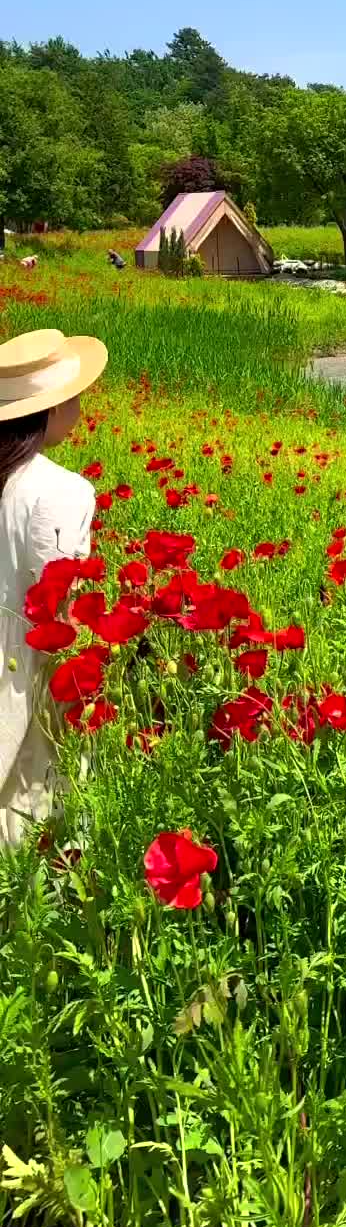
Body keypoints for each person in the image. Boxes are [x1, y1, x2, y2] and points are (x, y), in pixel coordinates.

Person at [0, 327, 108, 846]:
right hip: (36, 680)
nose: (81, 404)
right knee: (38, 813)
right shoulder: (63, 491)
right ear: (50, 408)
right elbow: (62, 614)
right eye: (74, 395)